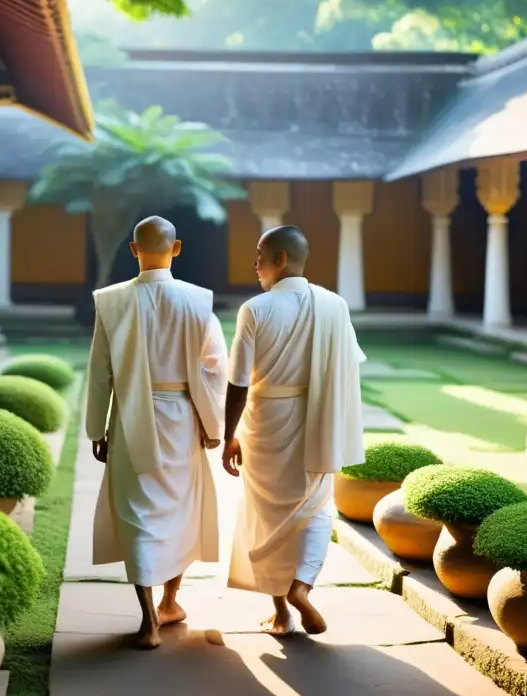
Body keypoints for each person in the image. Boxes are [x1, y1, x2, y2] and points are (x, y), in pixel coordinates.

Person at [86, 215, 227, 650]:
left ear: (133, 250)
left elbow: (100, 372)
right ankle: (171, 600)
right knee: (177, 511)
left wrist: (97, 427)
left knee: (137, 514)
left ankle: (149, 618)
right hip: (182, 417)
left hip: (131, 419)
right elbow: (214, 368)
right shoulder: (198, 301)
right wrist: (211, 422)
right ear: (177, 248)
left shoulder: (111, 302)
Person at [222, 225, 366, 635]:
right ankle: (301, 588)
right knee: (316, 508)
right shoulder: (335, 305)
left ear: (280, 260)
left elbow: (237, 383)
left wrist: (228, 434)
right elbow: (348, 364)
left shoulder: (256, 309)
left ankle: (282, 612)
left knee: (269, 515)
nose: (255, 264)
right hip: (318, 419)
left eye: (260, 254)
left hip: (265, 422)